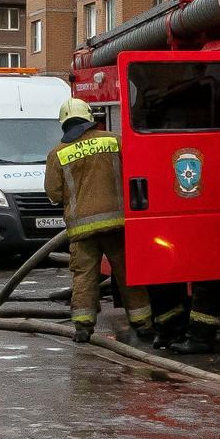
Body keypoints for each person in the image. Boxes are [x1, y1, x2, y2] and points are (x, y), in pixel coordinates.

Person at [44, 98, 152, 344]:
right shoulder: (114, 140)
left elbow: (54, 193)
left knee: (83, 276)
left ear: (64, 124)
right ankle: (143, 324)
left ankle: (83, 327)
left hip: (81, 229)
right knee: (127, 273)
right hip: (118, 223)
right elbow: (136, 172)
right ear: (89, 118)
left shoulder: (57, 154)